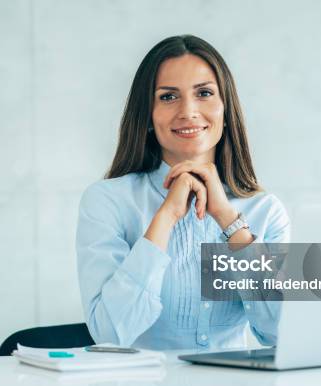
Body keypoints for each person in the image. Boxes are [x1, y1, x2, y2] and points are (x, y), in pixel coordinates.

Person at [76, 35, 290, 350]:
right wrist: (165, 218)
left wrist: (230, 222)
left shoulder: (265, 210)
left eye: (204, 93)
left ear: (226, 109)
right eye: (168, 97)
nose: (188, 111)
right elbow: (110, 334)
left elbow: (282, 333)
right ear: (147, 115)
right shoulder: (107, 201)